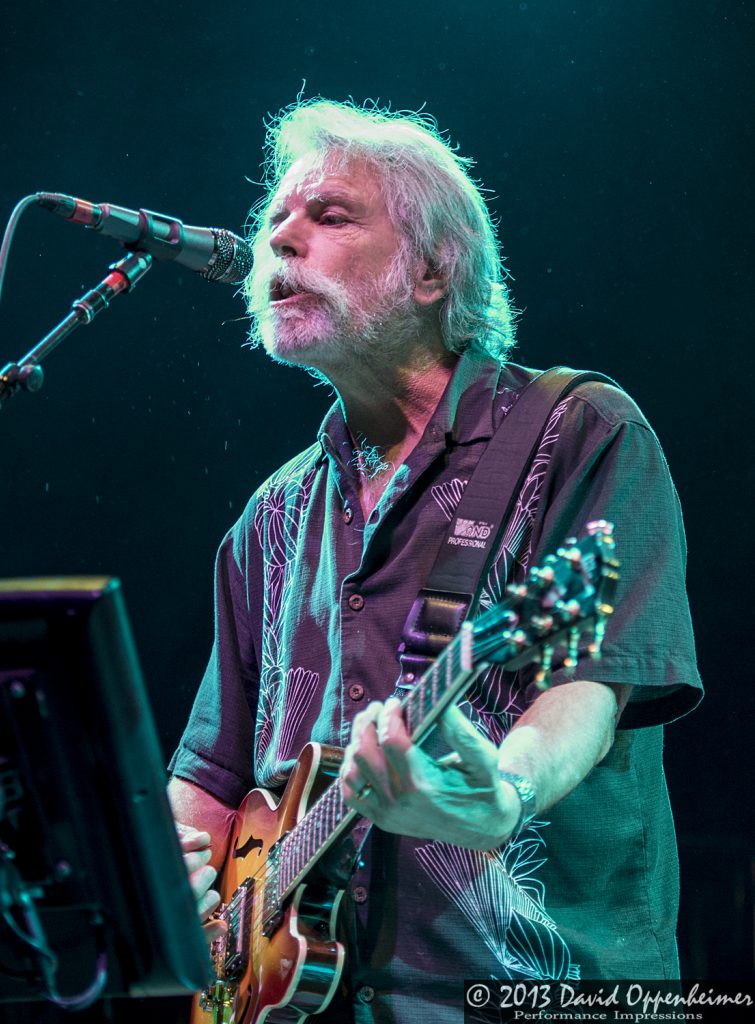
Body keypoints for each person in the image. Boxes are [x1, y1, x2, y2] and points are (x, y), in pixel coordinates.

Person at [168, 99, 702, 1020]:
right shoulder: (271, 516)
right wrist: (171, 874)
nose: (278, 241)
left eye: (328, 216)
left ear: (431, 268)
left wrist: (508, 790)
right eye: (273, 224)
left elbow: (592, 680)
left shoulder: (577, 430)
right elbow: (212, 776)